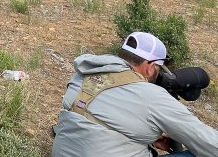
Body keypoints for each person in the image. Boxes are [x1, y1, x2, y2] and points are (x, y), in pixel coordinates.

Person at [51, 31, 218, 157]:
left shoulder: (83, 74)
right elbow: (207, 142)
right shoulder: (152, 96)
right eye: (159, 69)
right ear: (150, 66)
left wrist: (149, 137)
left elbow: (100, 117)